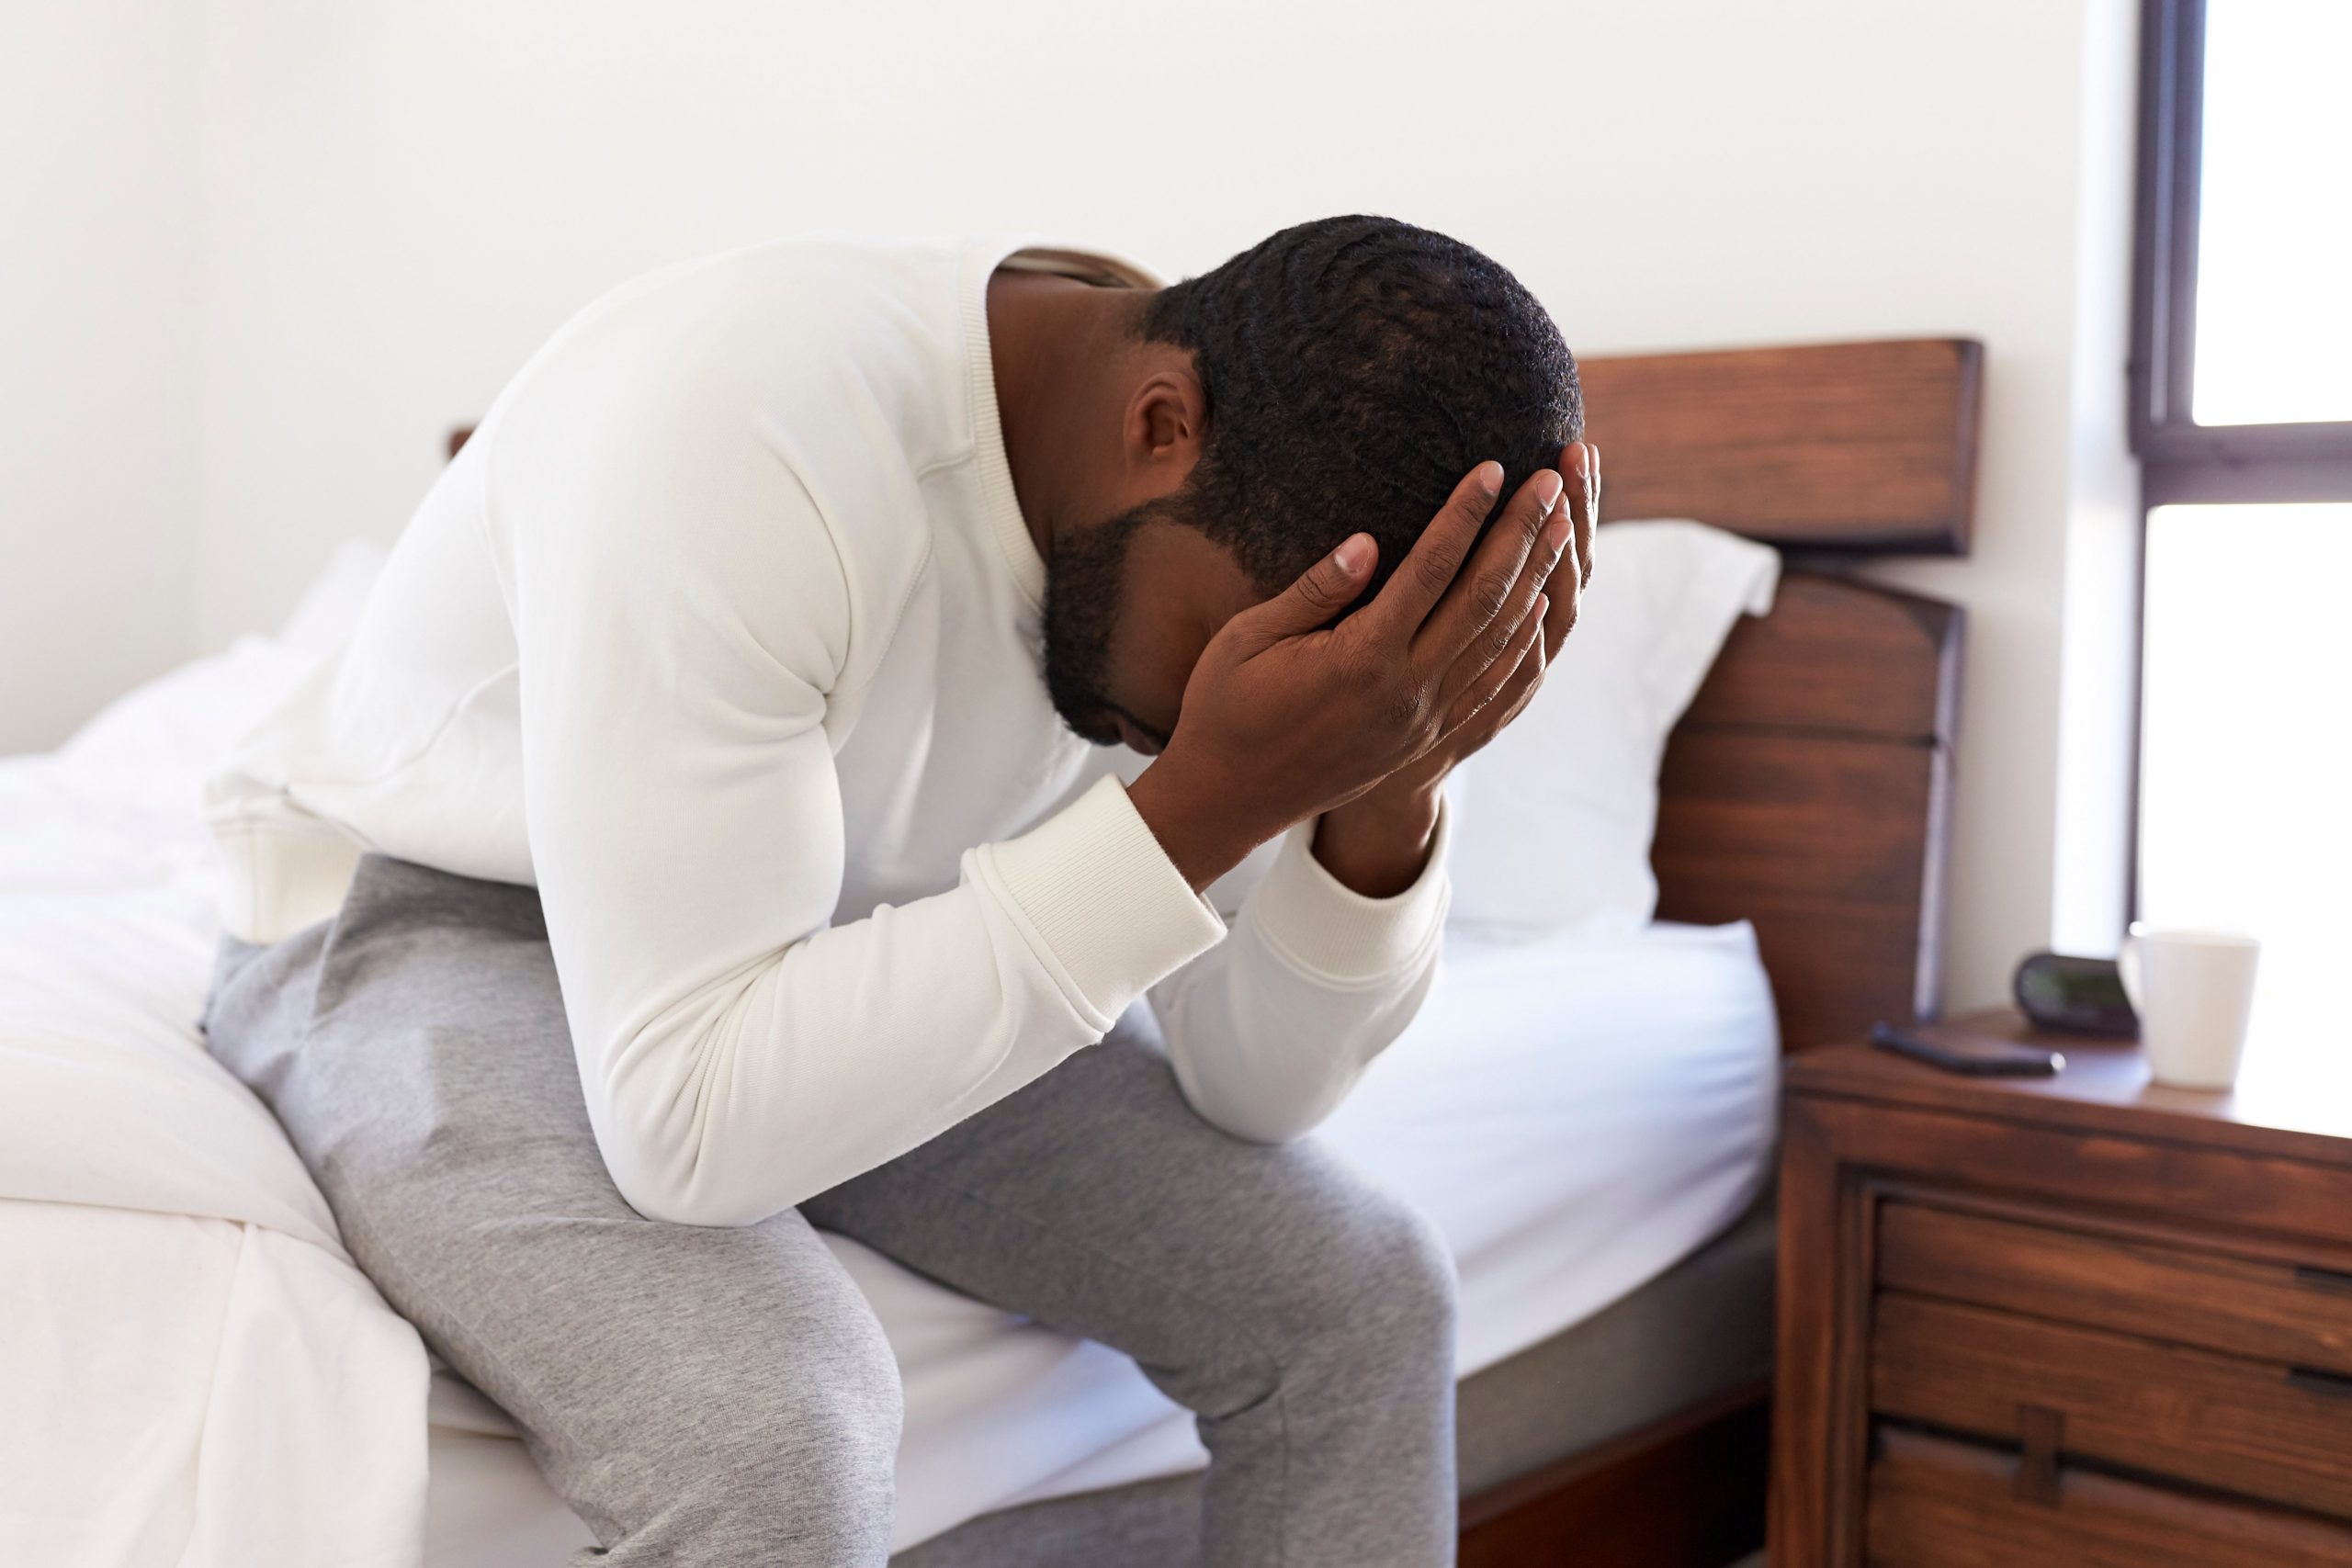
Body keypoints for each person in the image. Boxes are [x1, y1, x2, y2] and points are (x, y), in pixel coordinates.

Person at [197, 214, 1595, 1568]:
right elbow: (690, 1127)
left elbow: (1256, 1089)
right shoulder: (738, 424)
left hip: (841, 934)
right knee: (769, 1429)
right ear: (1160, 425)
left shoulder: (1269, 563)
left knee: (1361, 1303)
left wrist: (1389, 777)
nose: (1209, 726)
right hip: (436, 914)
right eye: (1233, 674)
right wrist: (1208, 802)